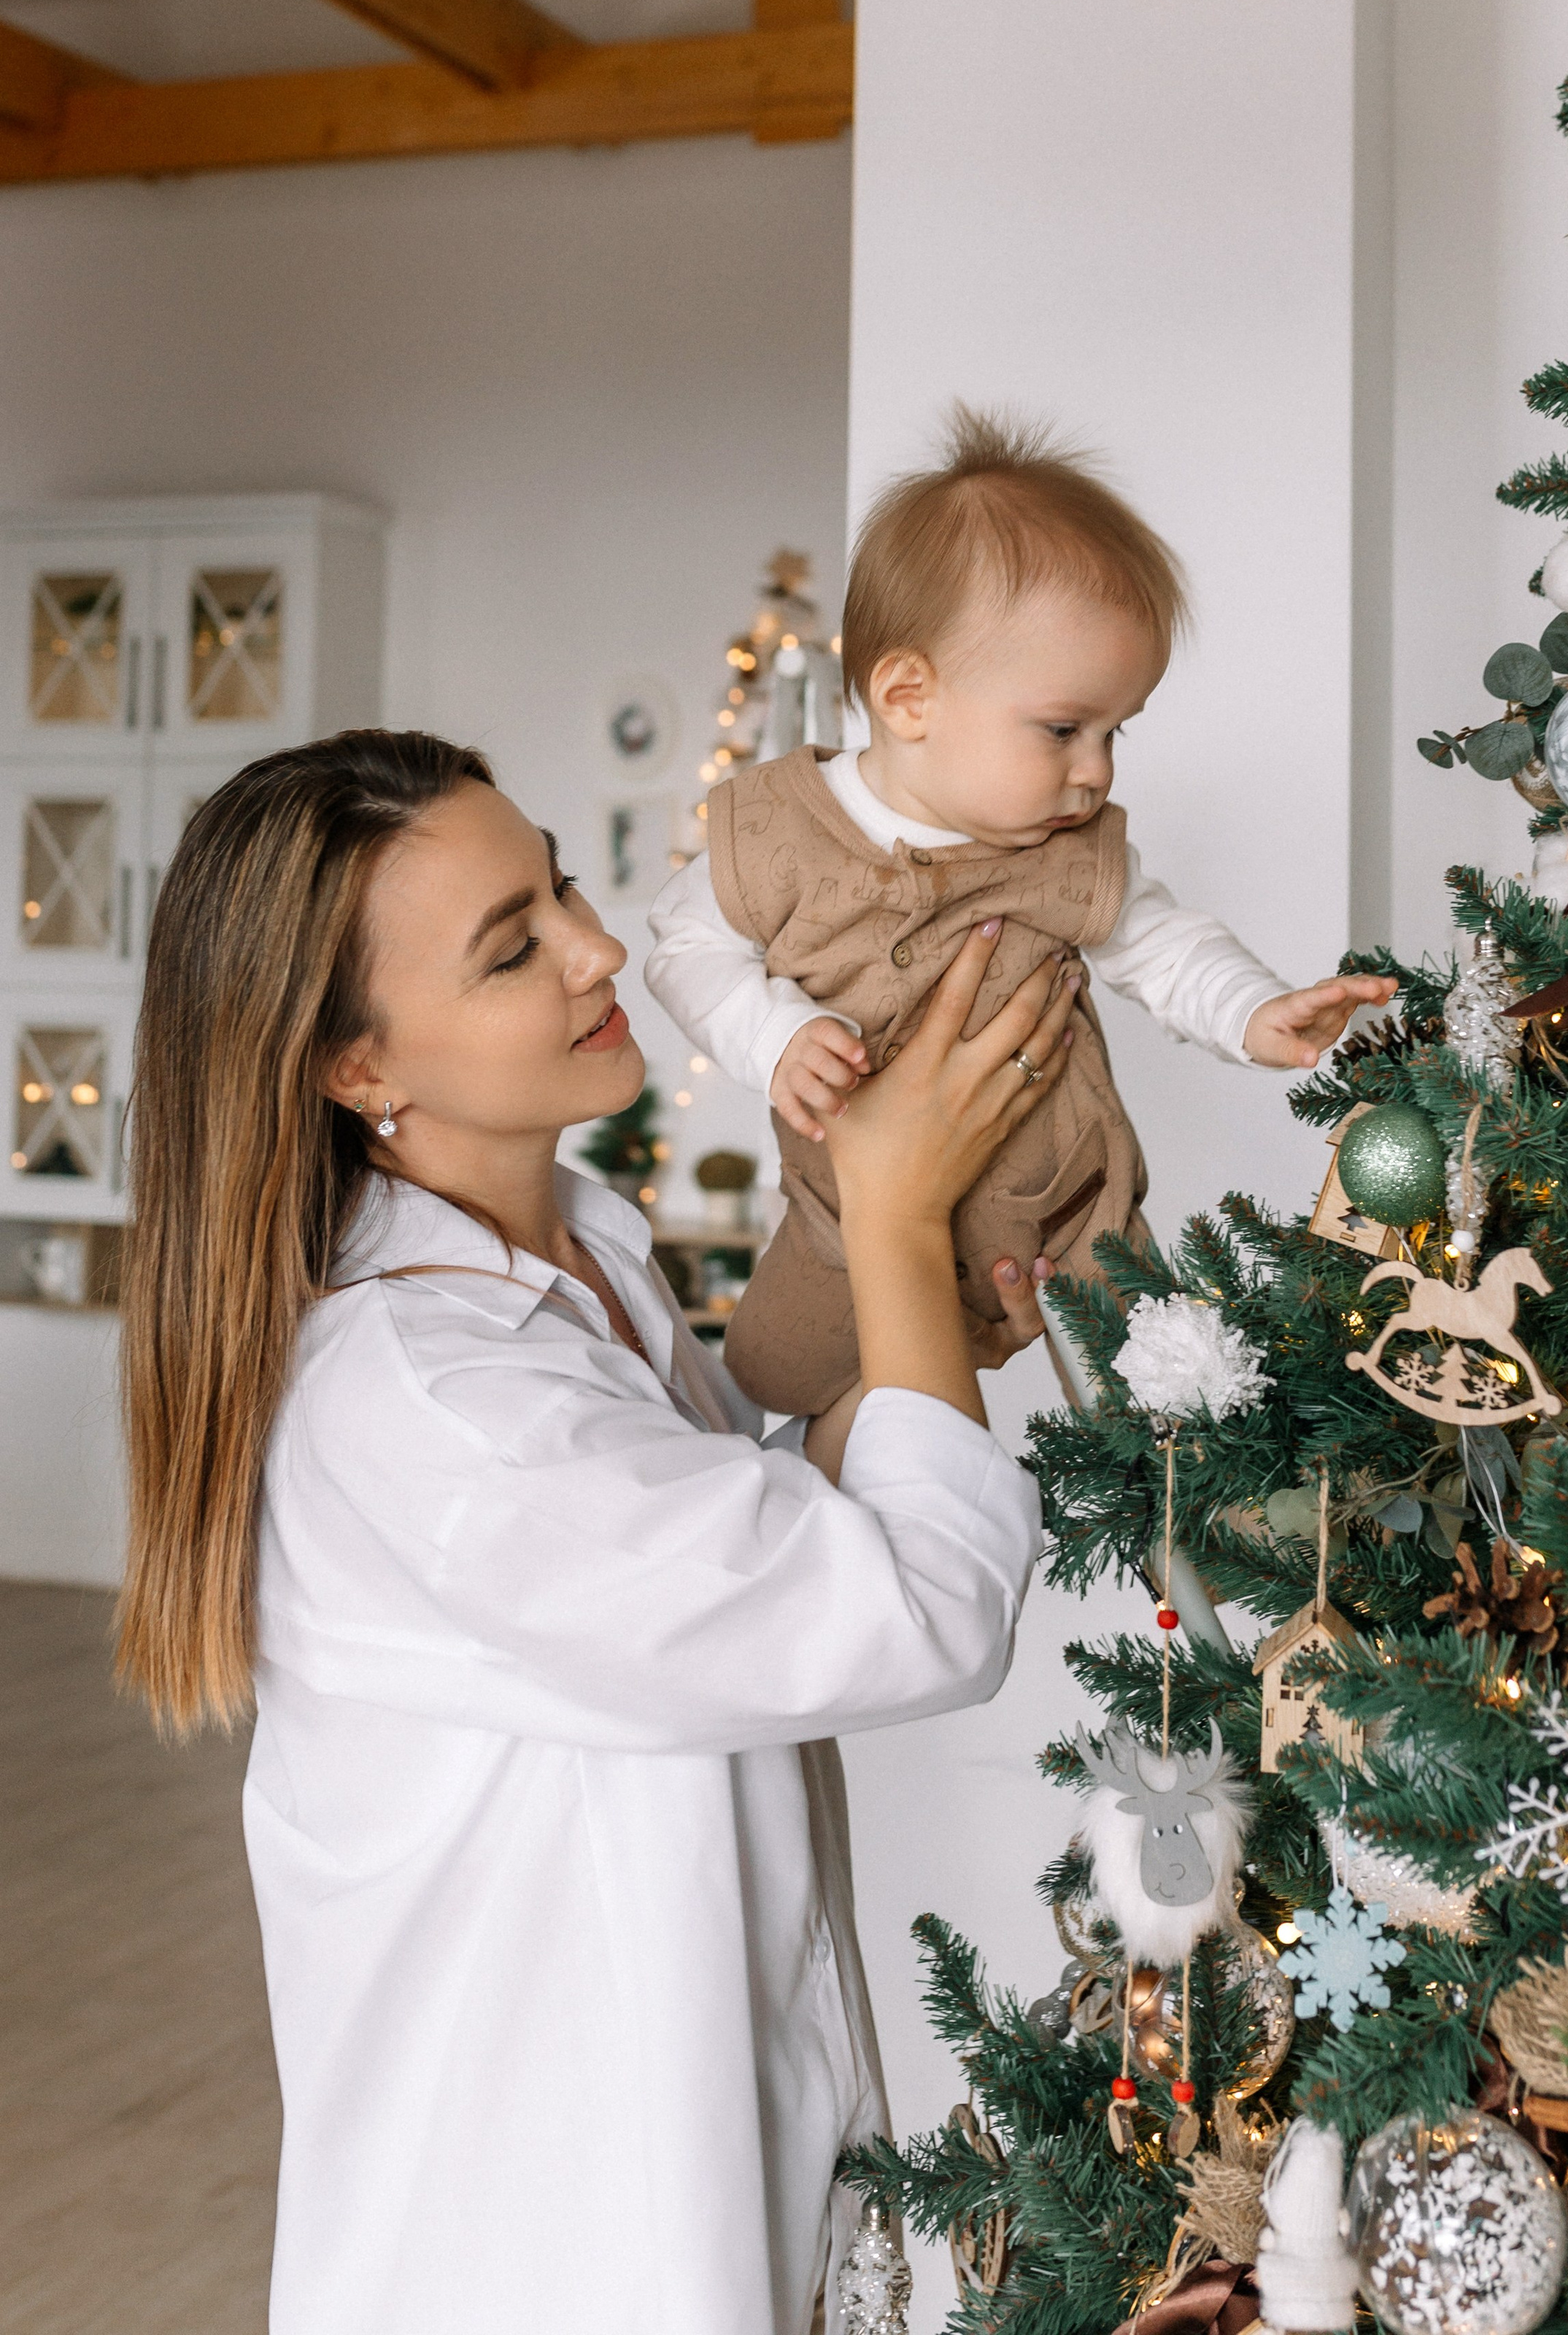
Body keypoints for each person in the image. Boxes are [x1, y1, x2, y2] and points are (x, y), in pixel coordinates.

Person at [115, 728, 1075, 2335]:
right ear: (361, 1069)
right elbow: (911, 1612)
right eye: (513, 948)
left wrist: (918, 1346)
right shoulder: (425, 1402)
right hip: (549, 2236)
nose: (597, 944)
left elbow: (745, 1529)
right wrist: (894, 1213)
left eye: (555, 882)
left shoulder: (580, 1257)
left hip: (693, 2138)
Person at [646, 409, 1397, 1417]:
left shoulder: (1063, 854)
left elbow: (1164, 944)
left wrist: (1255, 1013)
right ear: (910, 699)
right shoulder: (780, 832)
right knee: (773, 1373)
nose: (1098, 771)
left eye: (1114, 731)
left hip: (1068, 1211)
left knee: (1174, 1398)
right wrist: (773, 1035)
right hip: (847, 1220)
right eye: (1064, 729)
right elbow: (685, 947)